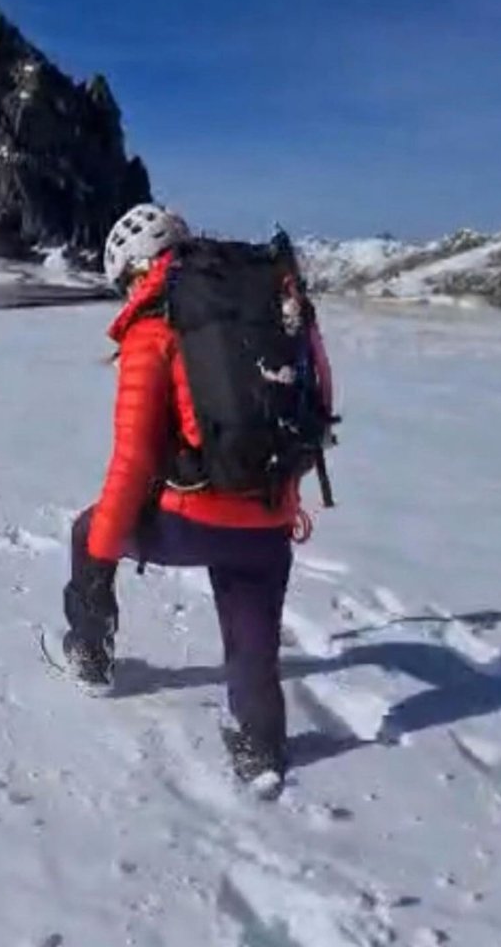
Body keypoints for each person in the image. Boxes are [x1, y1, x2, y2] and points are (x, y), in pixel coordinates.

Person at [62, 203, 333, 791]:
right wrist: (273, 492)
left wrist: (100, 561)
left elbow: (132, 461)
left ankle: (90, 652)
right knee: (250, 628)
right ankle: (260, 749)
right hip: (269, 512)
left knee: (88, 533)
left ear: (135, 270)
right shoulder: (277, 305)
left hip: (192, 518)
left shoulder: (155, 320)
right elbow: (315, 411)